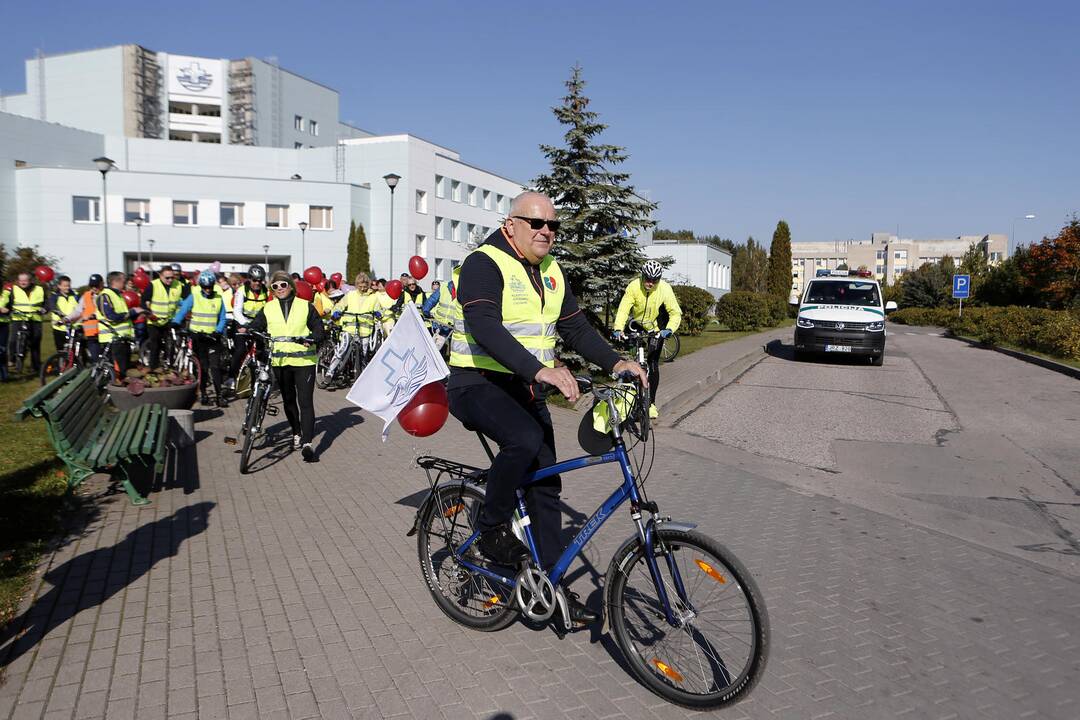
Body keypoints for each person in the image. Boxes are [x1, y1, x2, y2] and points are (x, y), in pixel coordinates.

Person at [448, 191, 648, 625]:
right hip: (475, 382)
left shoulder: (553, 271)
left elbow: (575, 328)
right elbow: (484, 326)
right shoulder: (484, 263)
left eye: (553, 226)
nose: (545, 232)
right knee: (523, 438)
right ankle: (490, 528)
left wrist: (618, 362)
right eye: (535, 223)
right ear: (510, 225)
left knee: (546, 486)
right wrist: (540, 370)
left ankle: (552, 587)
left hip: (522, 385)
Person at [244, 271, 324, 461]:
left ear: (291, 286)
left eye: (283, 285)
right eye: (275, 286)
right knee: (288, 401)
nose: (280, 289)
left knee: (305, 402)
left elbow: (319, 329)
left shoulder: (305, 306)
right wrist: (250, 330)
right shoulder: (268, 308)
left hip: (304, 362)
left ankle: (307, 443)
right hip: (280, 362)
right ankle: (296, 433)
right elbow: (256, 325)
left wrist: (312, 338)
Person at [612, 259, 682, 412]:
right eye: (647, 279)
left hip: (656, 328)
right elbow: (624, 309)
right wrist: (618, 328)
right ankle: (629, 397)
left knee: (652, 364)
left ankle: (651, 404)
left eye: (654, 281)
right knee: (631, 363)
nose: (650, 283)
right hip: (636, 325)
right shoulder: (634, 286)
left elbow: (675, 313)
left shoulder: (664, 289)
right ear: (642, 276)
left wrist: (669, 329)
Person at [172, 270, 228, 407]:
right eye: (205, 287)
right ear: (201, 286)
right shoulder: (194, 296)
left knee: (215, 367)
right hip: (198, 337)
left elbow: (222, 318)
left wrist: (218, 331)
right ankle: (203, 394)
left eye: (210, 287)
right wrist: (175, 322)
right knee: (202, 368)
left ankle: (220, 395)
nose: (208, 290)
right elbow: (184, 309)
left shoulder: (218, 298)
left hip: (213, 338)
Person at [225, 265, 269, 392]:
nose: (257, 283)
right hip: (241, 323)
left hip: (258, 324)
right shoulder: (242, 291)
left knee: (261, 351)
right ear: (249, 279)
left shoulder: (265, 291)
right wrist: (246, 325)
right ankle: (231, 378)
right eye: (254, 280)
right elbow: (237, 311)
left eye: (260, 280)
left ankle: (260, 379)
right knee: (240, 350)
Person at [96, 272, 147, 378]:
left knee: (124, 371)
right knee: (120, 372)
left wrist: (137, 315)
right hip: (112, 339)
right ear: (115, 281)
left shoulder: (119, 295)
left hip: (122, 338)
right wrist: (132, 312)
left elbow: (124, 316)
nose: (125, 283)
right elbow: (111, 317)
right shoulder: (105, 295)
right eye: (123, 281)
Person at [331, 272, 391, 360]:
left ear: (368, 285)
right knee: (342, 350)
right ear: (356, 285)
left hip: (366, 331)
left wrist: (378, 313)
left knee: (364, 354)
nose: (362, 289)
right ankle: (331, 371)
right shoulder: (351, 295)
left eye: (365, 286)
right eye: (360, 286)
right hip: (349, 329)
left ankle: (362, 369)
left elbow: (379, 309)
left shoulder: (373, 297)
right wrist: (336, 311)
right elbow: (340, 305)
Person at [142, 265, 188, 368]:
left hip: (169, 320)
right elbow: (144, 301)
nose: (170, 280)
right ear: (160, 276)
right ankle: (153, 368)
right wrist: (149, 314)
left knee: (171, 344)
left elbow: (188, 299)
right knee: (155, 344)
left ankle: (170, 366)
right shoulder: (153, 285)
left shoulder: (178, 285)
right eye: (167, 278)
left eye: (172, 277)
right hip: (154, 321)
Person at [11, 272, 47, 372]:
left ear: (30, 281)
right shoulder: (14, 289)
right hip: (18, 319)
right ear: (18, 281)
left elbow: (46, 303)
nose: (23, 282)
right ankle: (13, 361)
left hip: (35, 319)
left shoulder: (39, 289)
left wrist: (44, 309)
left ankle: (36, 366)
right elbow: (9, 302)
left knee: (35, 343)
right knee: (13, 340)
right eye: (21, 280)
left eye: (25, 280)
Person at [68, 274, 103, 361]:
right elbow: (78, 311)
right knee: (93, 357)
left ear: (102, 284)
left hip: (103, 332)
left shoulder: (104, 295)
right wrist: (67, 318)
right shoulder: (86, 296)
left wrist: (94, 315)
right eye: (92, 286)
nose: (94, 288)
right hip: (91, 333)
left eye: (96, 285)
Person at [47, 275, 80, 355]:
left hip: (73, 327)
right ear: (59, 286)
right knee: (61, 350)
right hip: (59, 327)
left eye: (68, 285)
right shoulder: (55, 296)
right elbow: (52, 306)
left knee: (75, 350)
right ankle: (62, 365)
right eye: (64, 286)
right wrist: (59, 314)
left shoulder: (75, 295)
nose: (67, 288)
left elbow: (80, 307)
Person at [0, 281, 11, 379]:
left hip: (3, 324)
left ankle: (4, 375)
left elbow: (12, 305)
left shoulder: (7, 292)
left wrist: (8, 310)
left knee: (2, 349)